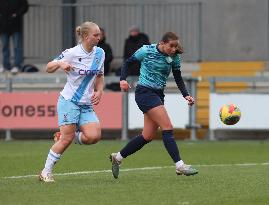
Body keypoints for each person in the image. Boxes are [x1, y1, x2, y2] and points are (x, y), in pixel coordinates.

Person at [109, 32, 198, 179]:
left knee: (147, 136)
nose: (174, 49)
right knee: (167, 127)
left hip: (158, 95)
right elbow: (127, 62)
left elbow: (178, 77)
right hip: (144, 93)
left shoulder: (174, 57)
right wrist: (122, 79)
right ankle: (179, 165)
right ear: (162, 43)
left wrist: (185, 94)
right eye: (171, 46)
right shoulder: (147, 50)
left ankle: (117, 158)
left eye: (176, 46)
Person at [39, 21, 105, 182]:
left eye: (99, 34)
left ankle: (63, 134)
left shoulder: (100, 53)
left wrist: (99, 90)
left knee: (94, 136)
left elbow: (100, 75)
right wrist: (60, 63)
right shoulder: (72, 53)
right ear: (85, 36)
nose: (99, 37)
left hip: (86, 104)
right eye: (95, 35)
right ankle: (45, 172)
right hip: (69, 101)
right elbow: (48, 67)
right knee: (66, 140)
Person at [0, 0, 29, 73]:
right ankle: (6, 66)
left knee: (17, 47)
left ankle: (17, 66)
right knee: (5, 47)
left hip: (16, 25)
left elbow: (25, 7)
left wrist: (16, 14)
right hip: (3, 26)